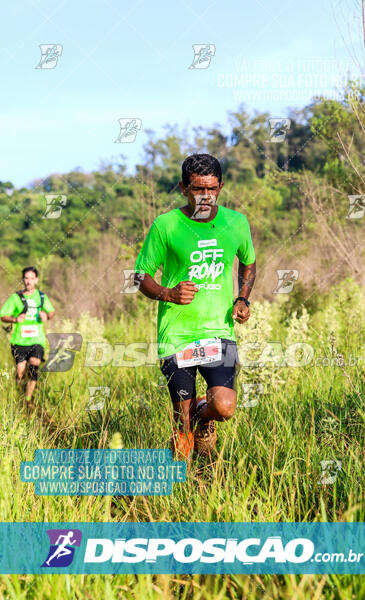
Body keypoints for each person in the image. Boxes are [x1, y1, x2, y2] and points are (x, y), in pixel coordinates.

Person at [133, 154, 256, 461]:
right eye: (198, 189)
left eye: (212, 189)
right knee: (182, 428)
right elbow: (140, 275)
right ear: (183, 188)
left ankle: (204, 412)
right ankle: (197, 486)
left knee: (223, 406)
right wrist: (168, 293)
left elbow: (249, 263)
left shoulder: (236, 223)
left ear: (221, 186)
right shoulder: (166, 225)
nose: (206, 196)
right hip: (177, 335)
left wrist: (242, 297)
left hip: (219, 332)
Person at [0, 266, 55, 402]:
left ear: (36, 280)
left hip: (37, 340)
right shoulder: (15, 297)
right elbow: (3, 315)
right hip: (19, 340)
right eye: (26, 278)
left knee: (34, 365)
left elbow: (51, 312)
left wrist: (46, 316)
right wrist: (15, 319)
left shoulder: (41, 297)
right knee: (20, 372)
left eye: (32, 278)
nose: (29, 281)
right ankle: (19, 388)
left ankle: (28, 399)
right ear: (23, 280)